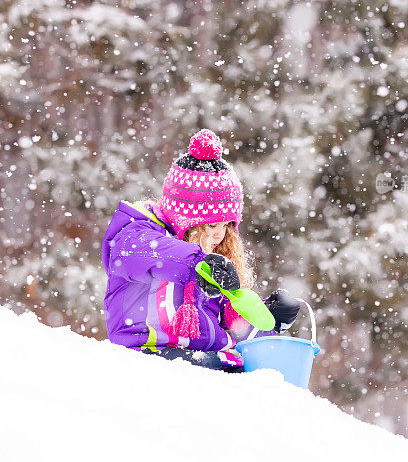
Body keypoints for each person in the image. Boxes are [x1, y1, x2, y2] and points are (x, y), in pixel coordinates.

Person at [101, 129, 301, 371]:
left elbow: (232, 326)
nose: (220, 234)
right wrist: (196, 263)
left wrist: (267, 318)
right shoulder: (139, 235)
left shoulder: (212, 259)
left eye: (227, 225)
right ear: (185, 219)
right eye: (211, 225)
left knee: (246, 369)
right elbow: (140, 254)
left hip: (199, 357)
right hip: (144, 356)